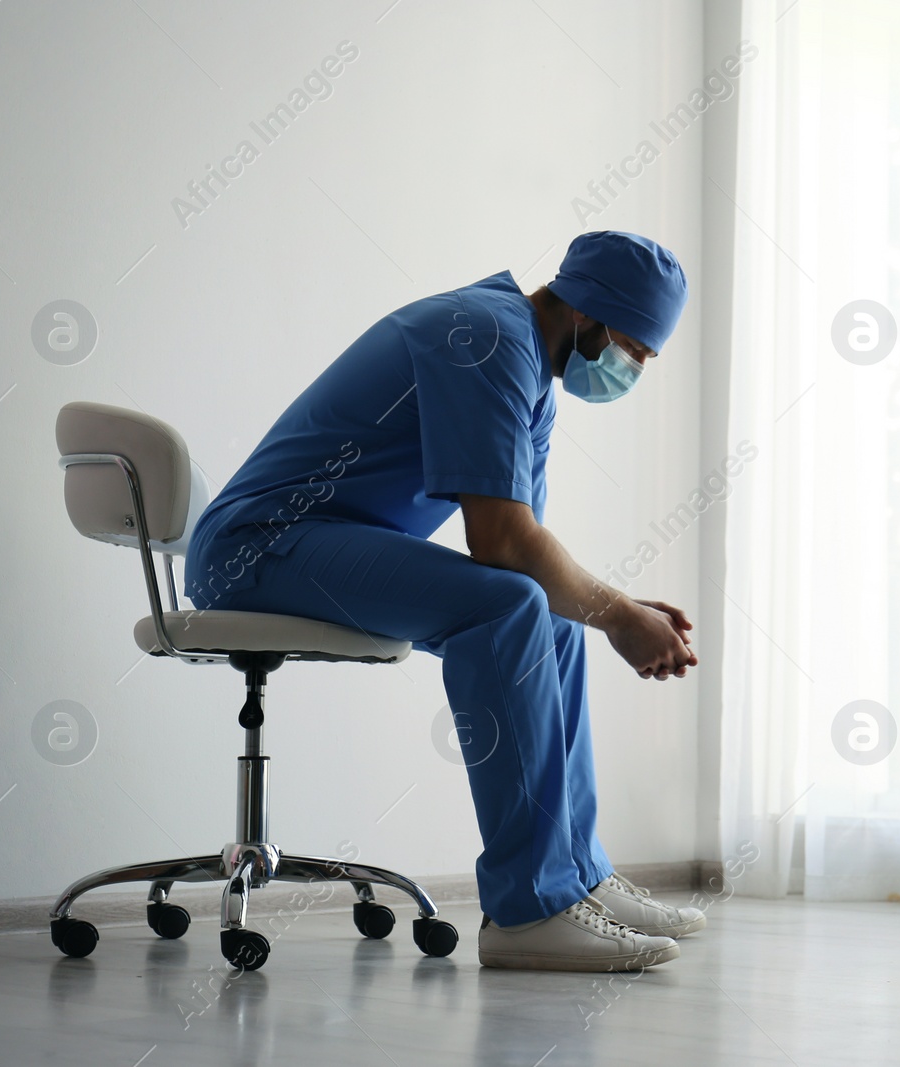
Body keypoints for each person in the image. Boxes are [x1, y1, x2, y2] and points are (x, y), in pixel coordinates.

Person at [183, 231, 705, 972]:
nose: (634, 368)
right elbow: (503, 545)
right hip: (256, 548)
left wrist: (607, 607)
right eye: (637, 349)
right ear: (595, 312)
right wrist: (621, 612)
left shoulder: (531, 370)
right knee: (511, 606)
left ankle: (578, 874)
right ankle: (529, 911)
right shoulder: (486, 337)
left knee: (547, 617)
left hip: (314, 542)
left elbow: (527, 552)